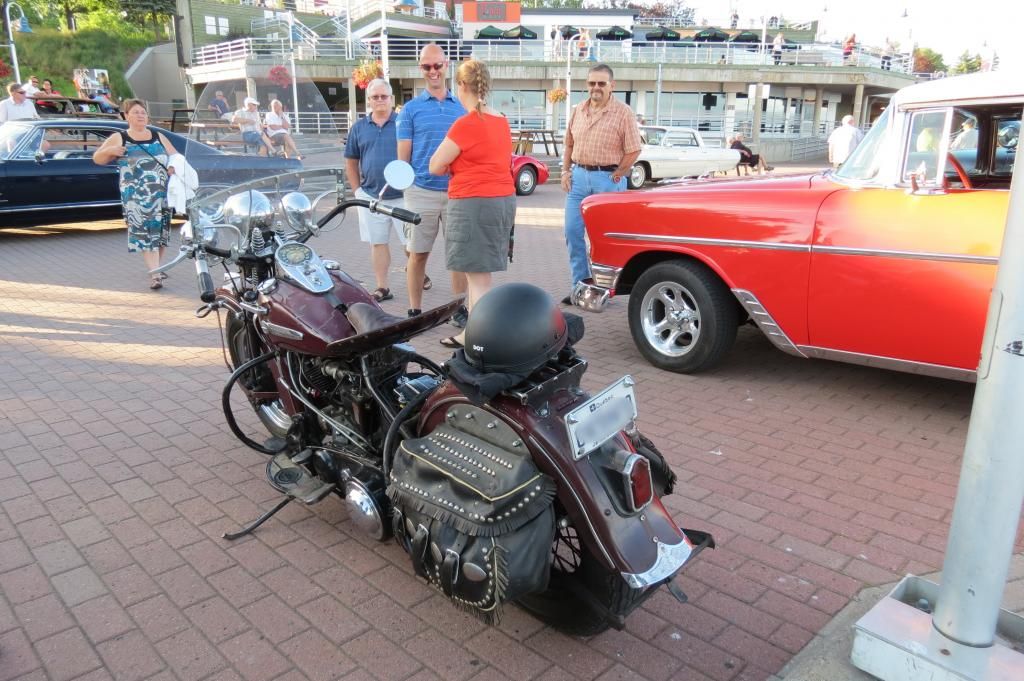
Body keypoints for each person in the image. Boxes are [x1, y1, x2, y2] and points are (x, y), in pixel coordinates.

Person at [428, 59, 516, 349]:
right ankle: (480, 333)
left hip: (473, 202)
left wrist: (456, 166)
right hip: (501, 200)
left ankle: (476, 338)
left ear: (461, 86)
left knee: (476, 278)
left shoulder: (465, 124)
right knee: (482, 274)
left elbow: (435, 166)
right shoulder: (502, 121)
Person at [396, 43, 469, 324]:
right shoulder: (411, 110)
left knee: (458, 255)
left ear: (446, 65)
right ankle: (414, 311)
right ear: (421, 69)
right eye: (427, 66)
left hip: (456, 191)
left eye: (437, 65)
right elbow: (403, 157)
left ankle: (458, 308)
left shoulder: (462, 108)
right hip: (420, 191)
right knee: (417, 254)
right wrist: (405, 189)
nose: (433, 71)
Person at [560, 63, 642, 304]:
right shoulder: (578, 110)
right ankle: (580, 287)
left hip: (607, 181)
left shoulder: (623, 112)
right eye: (592, 83)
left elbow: (634, 149)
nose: (596, 88)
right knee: (572, 232)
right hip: (578, 179)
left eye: (601, 83)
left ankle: (606, 289)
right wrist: (565, 171)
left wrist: (618, 174)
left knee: (605, 238)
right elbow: (569, 144)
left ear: (611, 86)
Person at [92, 99, 179, 290]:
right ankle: (155, 274)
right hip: (136, 196)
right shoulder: (119, 137)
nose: (140, 115)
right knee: (145, 232)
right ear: (126, 116)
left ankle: (158, 266)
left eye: (143, 112)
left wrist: (173, 165)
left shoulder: (157, 135)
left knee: (161, 232)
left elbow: (175, 156)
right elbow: (97, 158)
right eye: (136, 112)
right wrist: (110, 150)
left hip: (161, 194)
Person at [344, 78, 407, 303]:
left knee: (411, 245)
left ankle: (417, 274)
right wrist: (357, 191)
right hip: (372, 197)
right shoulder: (359, 128)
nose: (380, 100)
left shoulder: (404, 124)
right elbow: (351, 160)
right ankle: (383, 287)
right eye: (375, 97)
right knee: (378, 243)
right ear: (368, 100)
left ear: (392, 99)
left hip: (403, 197)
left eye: (384, 96)